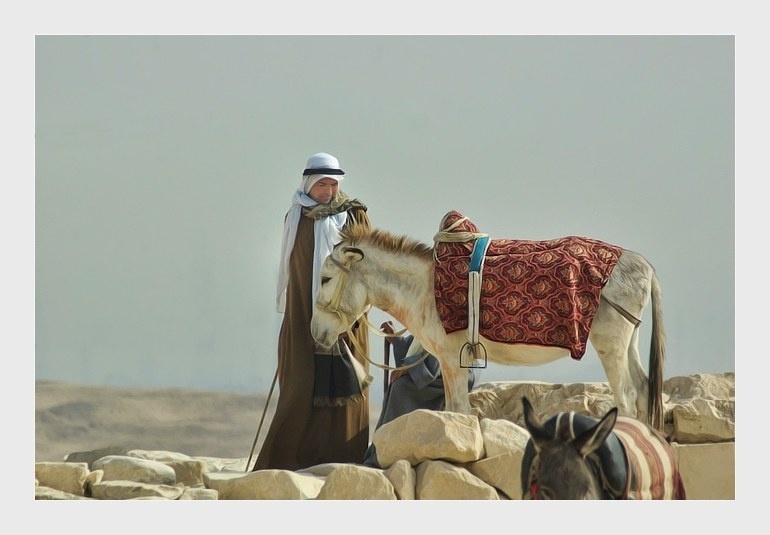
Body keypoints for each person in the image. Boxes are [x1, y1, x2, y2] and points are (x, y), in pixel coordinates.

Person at [253, 152, 372, 471]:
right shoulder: (296, 216)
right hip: (302, 314)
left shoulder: (353, 216)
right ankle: (285, 463)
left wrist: (346, 311)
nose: (328, 190)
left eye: (333, 184)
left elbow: (367, 264)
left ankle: (344, 462)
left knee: (346, 388)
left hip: (344, 317)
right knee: (300, 387)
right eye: (322, 184)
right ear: (309, 183)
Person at [362, 323, 478, 468]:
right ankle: (381, 448)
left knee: (401, 387)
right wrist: (396, 339)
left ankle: (395, 447)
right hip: (435, 365)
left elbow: (440, 347)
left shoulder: (446, 310)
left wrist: (409, 369)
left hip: (453, 370)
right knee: (399, 383)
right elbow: (419, 343)